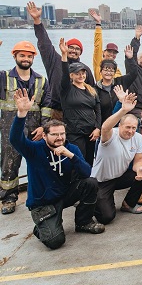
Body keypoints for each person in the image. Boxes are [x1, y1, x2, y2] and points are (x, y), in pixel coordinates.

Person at [9, 89, 104, 249]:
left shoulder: (71, 148)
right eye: (54, 135)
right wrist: (21, 113)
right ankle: (43, 225)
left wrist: (71, 157)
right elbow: (15, 139)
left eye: (62, 134)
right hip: (43, 203)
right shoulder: (34, 150)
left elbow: (86, 173)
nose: (59, 138)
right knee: (55, 242)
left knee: (90, 183)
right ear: (44, 136)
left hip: (63, 195)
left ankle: (83, 222)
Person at [1, 41, 51, 214]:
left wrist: (44, 127)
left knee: (37, 163)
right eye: (22, 55)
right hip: (11, 128)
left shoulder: (41, 80)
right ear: (14, 56)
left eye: (29, 56)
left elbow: (47, 105)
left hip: (34, 128)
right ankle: (9, 198)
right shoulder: (4, 77)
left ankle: (38, 194)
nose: (26, 59)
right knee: (9, 163)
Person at [28, 1, 94, 117]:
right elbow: (45, 44)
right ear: (65, 47)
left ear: (81, 52)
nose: (73, 50)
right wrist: (37, 22)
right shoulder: (54, 61)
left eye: (77, 49)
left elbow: (92, 93)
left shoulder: (85, 70)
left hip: (78, 113)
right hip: (56, 110)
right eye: (71, 47)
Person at [92, 92, 142, 224]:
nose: (130, 131)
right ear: (119, 126)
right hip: (102, 181)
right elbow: (105, 127)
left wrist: (140, 169)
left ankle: (128, 204)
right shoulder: (111, 135)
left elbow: (138, 160)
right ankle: (92, 199)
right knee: (106, 218)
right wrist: (123, 110)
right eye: (127, 127)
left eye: (133, 128)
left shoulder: (138, 138)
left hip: (119, 177)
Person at [59, 38, 101, 165]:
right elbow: (64, 74)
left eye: (83, 73)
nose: (81, 76)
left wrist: (98, 127)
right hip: (74, 132)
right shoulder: (67, 89)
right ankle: (76, 184)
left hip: (90, 132)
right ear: (71, 75)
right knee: (77, 159)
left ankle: (87, 183)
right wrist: (64, 55)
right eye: (77, 73)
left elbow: (97, 109)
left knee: (89, 161)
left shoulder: (91, 90)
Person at [93, 46, 138, 124]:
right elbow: (96, 111)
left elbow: (134, 73)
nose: (108, 72)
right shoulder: (95, 89)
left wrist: (130, 58)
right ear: (100, 71)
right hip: (105, 124)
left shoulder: (120, 82)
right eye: (106, 70)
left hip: (121, 123)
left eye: (111, 70)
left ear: (114, 73)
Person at [90, 9, 123, 80]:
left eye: (114, 53)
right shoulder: (99, 63)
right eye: (109, 51)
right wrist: (98, 24)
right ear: (103, 52)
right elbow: (98, 45)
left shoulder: (117, 70)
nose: (112, 54)